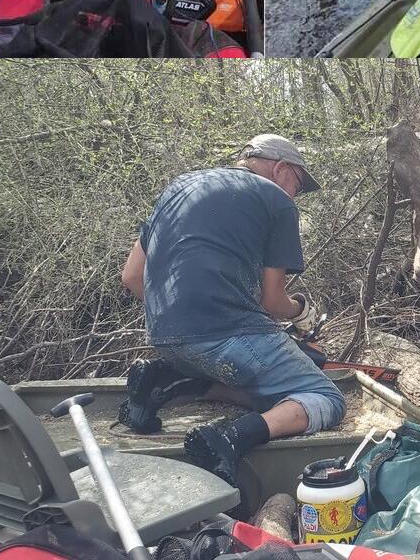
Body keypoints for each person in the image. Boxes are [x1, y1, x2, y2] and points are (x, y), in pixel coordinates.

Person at [119, 134, 345, 486]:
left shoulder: (178, 189)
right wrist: (300, 311)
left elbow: (132, 277)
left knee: (255, 382)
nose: (295, 195)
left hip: (165, 335)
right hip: (225, 334)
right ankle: (230, 437)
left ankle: (167, 380)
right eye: (297, 185)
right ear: (281, 169)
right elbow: (272, 302)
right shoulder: (276, 200)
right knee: (327, 398)